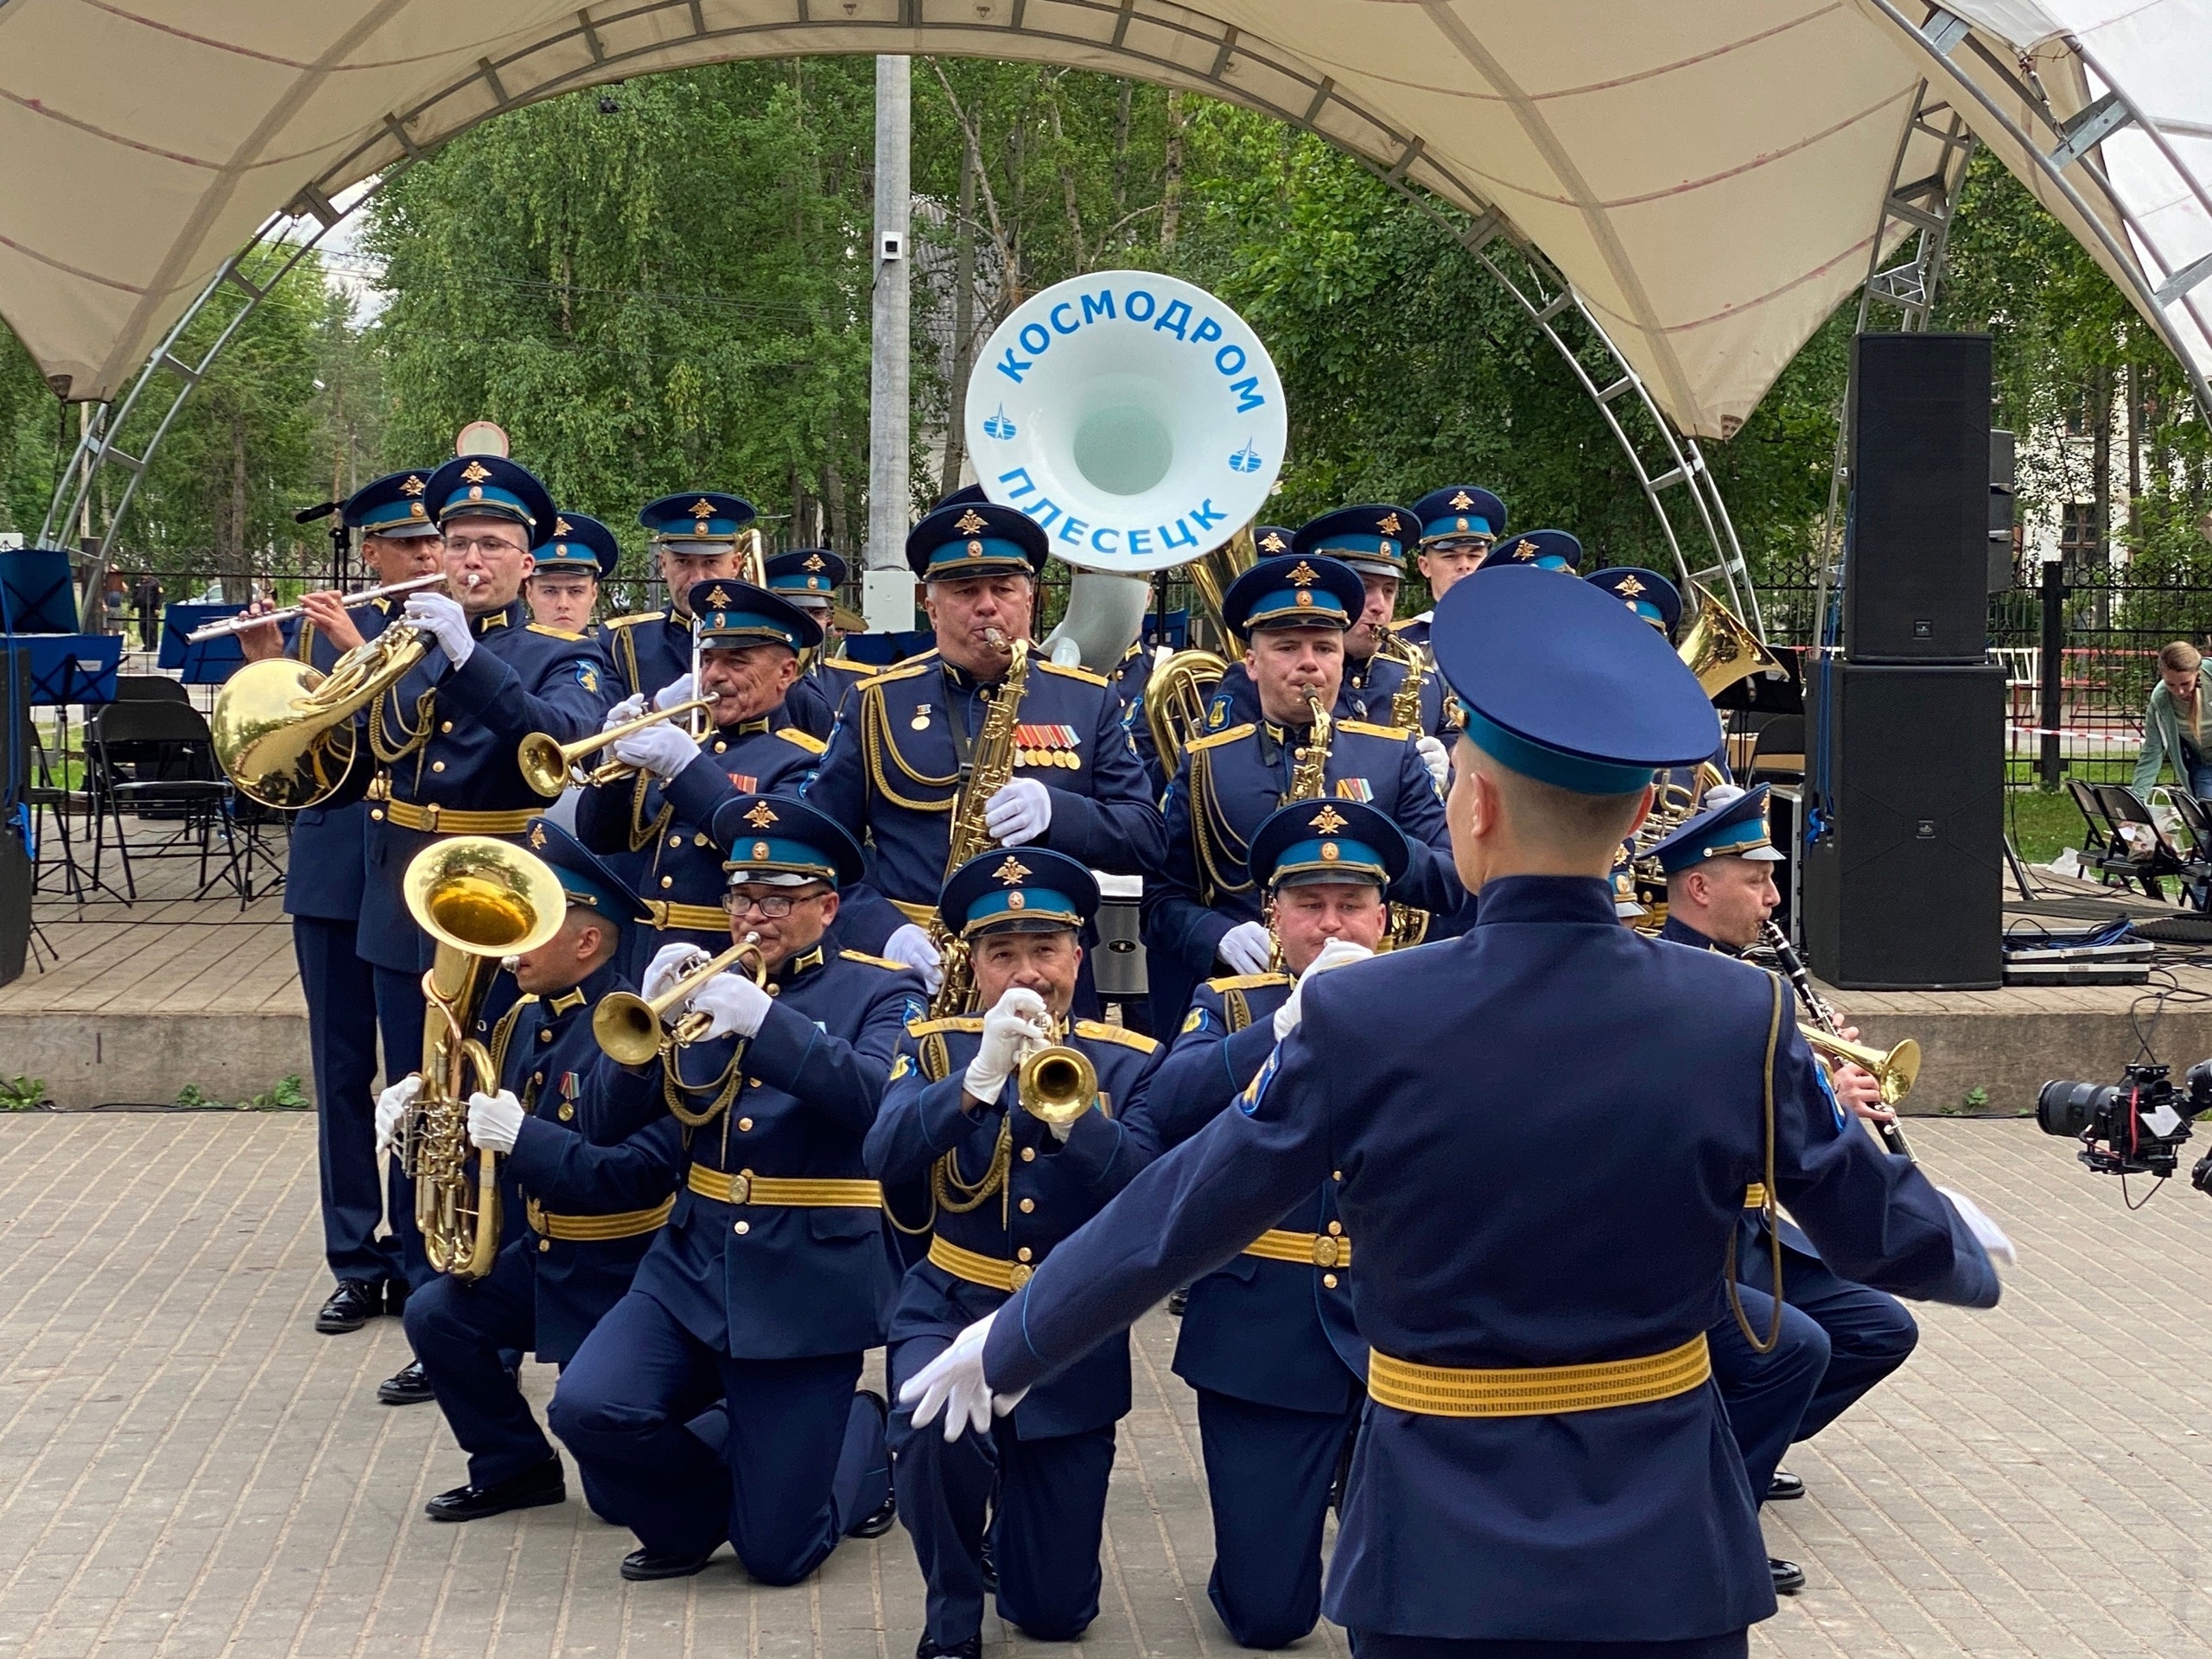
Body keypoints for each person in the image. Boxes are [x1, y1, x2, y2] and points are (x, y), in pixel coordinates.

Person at [903, 563, 2013, 1659]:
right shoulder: (1741, 1011)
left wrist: (1015, 1337)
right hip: (1666, 1542)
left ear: (1471, 807)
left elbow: (1183, 1212)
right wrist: (1959, 1249)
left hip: (1440, 1543)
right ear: (1636, 816)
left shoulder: (1363, 1016)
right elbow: (1877, 1231)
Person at [549, 794, 919, 1584]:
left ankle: (862, 1431)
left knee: (779, 1557)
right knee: (589, 1407)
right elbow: (610, 1127)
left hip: (808, 1285)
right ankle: (697, 1516)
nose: (755, 918)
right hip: (691, 1267)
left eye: (778, 901)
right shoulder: (701, 989)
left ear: (827, 906)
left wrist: (768, 1025)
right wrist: (641, 1034)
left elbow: (877, 1106)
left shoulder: (882, 994)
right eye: (743, 898)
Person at [349, 454, 618, 1405]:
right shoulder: (405, 641)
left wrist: (469, 659)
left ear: (528, 558)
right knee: (417, 1102)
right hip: (404, 894)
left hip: (510, 903)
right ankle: (439, 1312)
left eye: (490, 546)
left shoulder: (561, 650)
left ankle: (503, 1306)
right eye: (455, 543)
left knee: (501, 1100)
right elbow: (376, 753)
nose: (467, 560)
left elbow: (558, 746)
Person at [866, 848, 1164, 1659]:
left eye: (1044, 951)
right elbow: (882, 1153)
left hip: (1070, 1328)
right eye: (1003, 954)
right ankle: (951, 1608)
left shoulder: (1129, 1062)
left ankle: (1014, 1544)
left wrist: (1075, 1119)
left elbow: (1149, 1198)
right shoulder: (932, 1047)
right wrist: (979, 1079)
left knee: (1055, 1613)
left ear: (1079, 955)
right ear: (974, 964)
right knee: (932, 1430)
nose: (1027, 975)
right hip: (953, 1298)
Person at [1146, 796, 1404, 1649]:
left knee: (1401, 1606)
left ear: (1386, 917)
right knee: (1267, 1618)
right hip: (1263, 1329)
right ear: (1273, 915)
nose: (1330, 925)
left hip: (1402, 1331)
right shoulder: (1227, 1005)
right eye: (1307, 905)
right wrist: (1283, 1028)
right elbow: (1165, 1106)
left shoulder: (1431, 1005)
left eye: (1350, 905)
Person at [385, 818, 681, 1522]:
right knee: (437, 1315)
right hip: (547, 1251)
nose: (513, 943)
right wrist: (421, 1122)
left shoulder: (632, 1027)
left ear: (586, 941)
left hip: (623, 1267)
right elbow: (483, 1141)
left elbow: (629, 1178)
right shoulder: (522, 1020)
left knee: (617, 1496)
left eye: (536, 924)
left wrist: (526, 1139)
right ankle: (513, 1466)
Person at [1652, 785, 1924, 1537]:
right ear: (1700, 887)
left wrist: (1820, 1074)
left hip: (1752, 1232)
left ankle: (1741, 1452)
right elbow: (1724, 1126)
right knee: (1793, 1352)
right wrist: (1829, 1094)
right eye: (1758, 881)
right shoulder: (1675, 984)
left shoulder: (1754, 984)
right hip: (1694, 1235)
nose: (1774, 899)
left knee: (1879, 1328)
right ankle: (1707, 1520)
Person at [237, 468, 443, 1338]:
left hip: (407, 878)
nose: (430, 557)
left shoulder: (443, 636)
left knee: (414, 1076)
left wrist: (361, 641)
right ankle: (356, 1260)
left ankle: (415, 1257)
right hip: (330, 875)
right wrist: (266, 667)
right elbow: (276, 771)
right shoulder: (318, 642)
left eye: (437, 543)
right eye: (411, 546)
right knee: (340, 1076)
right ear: (373, 552)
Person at [796, 499, 1166, 977]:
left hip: (1049, 966)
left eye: (1003, 589)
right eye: (965, 590)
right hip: (915, 968)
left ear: (1029, 599)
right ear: (931, 606)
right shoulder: (876, 702)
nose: (987, 605)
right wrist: (883, 931)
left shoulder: (1088, 700)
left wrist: (1061, 812)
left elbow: (1148, 839)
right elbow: (819, 851)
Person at [1141, 551, 1461, 1037]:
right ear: (1251, 662)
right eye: (1287, 647)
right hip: (1250, 1005)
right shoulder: (1206, 761)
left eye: (1326, 648)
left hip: (1374, 996)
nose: (1309, 665)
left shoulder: (1394, 755)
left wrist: (1378, 842)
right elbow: (1161, 899)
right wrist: (1217, 936)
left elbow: (1453, 881)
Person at [575, 579, 828, 976]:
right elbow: (600, 839)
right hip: (642, 954)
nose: (714, 676)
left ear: (787, 671)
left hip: (726, 960)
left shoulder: (803, 760)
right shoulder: (690, 741)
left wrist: (686, 769)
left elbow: (765, 846)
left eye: (736, 662)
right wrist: (614, 767)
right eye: (707, 660)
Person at [600, 492, 758, 702]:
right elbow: (599, 722)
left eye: (711, 562)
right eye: (683, 562)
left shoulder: (762, 640)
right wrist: (657, 708)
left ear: (735, 565)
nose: (697, 579)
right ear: (663, 564)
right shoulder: (622, 641)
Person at [1289, 505, 1420, 723]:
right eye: (1365, 588)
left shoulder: (1424, 683)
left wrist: (1450, 754)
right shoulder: (1270, 683)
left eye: (1389, 591)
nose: (1380, 606)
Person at [765, 547, 873, 740]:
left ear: (829, 620)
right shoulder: (754, 681)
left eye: (817, 613)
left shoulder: (857, 682)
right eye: (796, 611)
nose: (808, 622)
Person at [2132, 640, 2212, 798]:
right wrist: (2137, 801)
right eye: (2170, 684)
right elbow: (2152, 752)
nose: (2179, 691)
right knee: (2207, 816)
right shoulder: (2160, 700)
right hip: (2205, 764)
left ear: (2198, 672)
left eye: (2185, 683)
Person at [525, 512, 619, 637]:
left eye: (576, 591)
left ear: (593, 594)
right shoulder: (505, 656)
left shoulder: (613, 656)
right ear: (530, 594)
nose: (563, 604)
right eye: (549, 591)